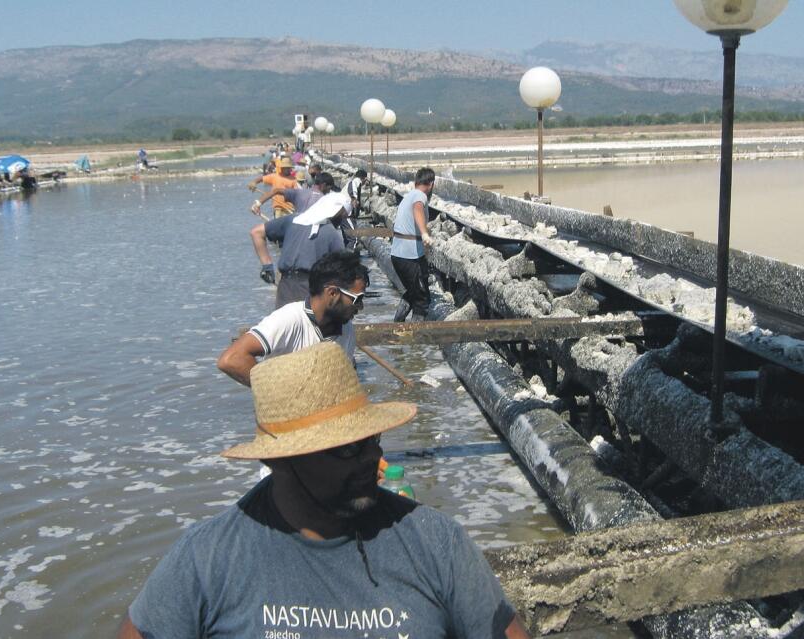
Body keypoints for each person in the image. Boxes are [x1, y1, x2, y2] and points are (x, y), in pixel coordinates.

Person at [120, 341, 531, 639]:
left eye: (373, 440)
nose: (371, 458)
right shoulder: (208, 560)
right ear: (277, 460)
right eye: (348, 448)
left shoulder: (437, 544)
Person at [217, 250, 367, 385]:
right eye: (357, 299)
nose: (360, 307)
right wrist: (282, 394)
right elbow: (231, 360)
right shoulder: (289, 319)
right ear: (333, 293)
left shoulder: (346, 329)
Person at [251, 192, 351, 307]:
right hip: (311, 288)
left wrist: (267, 265)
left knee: (284, 323)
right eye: (342, 216)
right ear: (336, 213)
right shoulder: (332, 233)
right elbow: (343, 271)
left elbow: (256, 232)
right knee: (309, 323)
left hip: (285, 286)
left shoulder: (293, 220)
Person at [390, 167, 435, 322]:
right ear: (431, 184)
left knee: (413, 291)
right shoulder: (420, 196)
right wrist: (424, 234)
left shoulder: (408, 195)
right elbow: (417, 210)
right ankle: (417, 340)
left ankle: (396, 326)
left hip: (399, 253)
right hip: (409, 255)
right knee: (422, 299)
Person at [251, 171, 335, 218]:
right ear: (324, 185)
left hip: (293, 219)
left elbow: (275, 191)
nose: (329, 191)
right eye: (329, 189)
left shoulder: (301, 192)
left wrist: (257, 204)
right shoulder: (325, 200)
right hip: (280, 207)